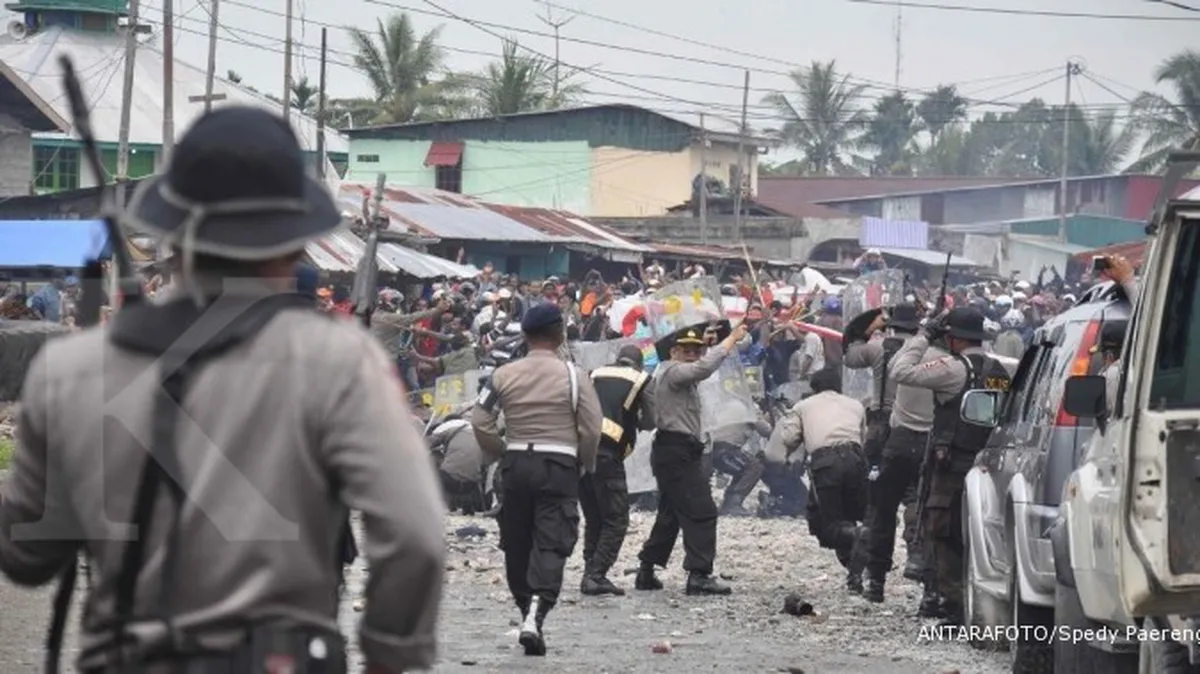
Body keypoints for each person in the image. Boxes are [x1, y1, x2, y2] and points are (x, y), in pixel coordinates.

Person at [0, 106, 446, 673]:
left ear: (172, 237)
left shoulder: (68, 370)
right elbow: (415, 534)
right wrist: (389, 656)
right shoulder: (338, 360)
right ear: (294, 243)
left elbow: (27, 555)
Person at [472, 302, 603, 656]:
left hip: (515, 462)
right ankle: (536, 613)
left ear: (526, 335)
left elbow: (479, 420)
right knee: (552, 540)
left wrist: (501, 451)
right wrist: (583, 464)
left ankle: (525, 610)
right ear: (560, 334)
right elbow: (591, 429)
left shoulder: (502, 375)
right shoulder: (576, 376)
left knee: (516, 540)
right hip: (559, 464)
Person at [889, 307, 1014, 625]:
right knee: (978, 531)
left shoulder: (953, 367)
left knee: (942, 530)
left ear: (954, 339)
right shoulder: (999, 369)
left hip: (953, 462)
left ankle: (952, 604)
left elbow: (899, 371)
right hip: (990, 462)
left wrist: (923, 336)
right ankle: (974, 599)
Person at [636, 319, 748, 596]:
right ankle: (699, 575)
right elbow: (704, 368)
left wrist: (717, 340)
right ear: (673, 351)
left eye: (696, 349)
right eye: (685, 348)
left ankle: (646, 569)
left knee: (671, 513)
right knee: (703, 511)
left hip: (674, 449)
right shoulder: (673, 371)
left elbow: (702, 366)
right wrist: (730, 340)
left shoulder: (670, 370)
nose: (692, 353)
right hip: (676, 449)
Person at [843, 305, 934, 605]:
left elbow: (849, 352)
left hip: (880, 429)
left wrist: (866, 322)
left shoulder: (877, 347)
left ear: (891, 325)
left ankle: (872, 580)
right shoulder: (928, 353)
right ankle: (917, 560)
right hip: (917, 432)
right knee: (916, 500)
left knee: (878, 508)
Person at [767, 367, 870, 594]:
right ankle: (855, 575)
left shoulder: (803, 406)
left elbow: (788, 438)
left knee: (828, 523)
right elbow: (862, 438)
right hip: (855, 460)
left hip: (826, 463)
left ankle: (859, 537)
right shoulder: (855, 405)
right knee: (850, 517)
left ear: (814, 388)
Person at [580, 344, 655, 596]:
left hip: (581, 451)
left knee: (594, 517)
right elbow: (651, 420)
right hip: (608, 453)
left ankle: (589, 569)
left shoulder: (594, 373)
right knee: (616, 518)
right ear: (639, 364)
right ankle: (596, 574)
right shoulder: (641, 379)